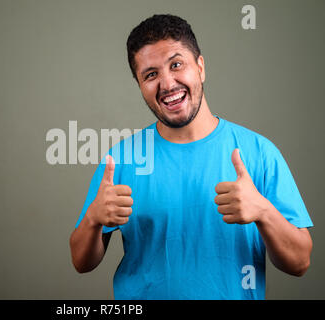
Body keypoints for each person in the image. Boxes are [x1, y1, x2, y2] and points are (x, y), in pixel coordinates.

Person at [69, 14, 313, 299]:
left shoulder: (259, 152)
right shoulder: (120, 160)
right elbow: (81, 262)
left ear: (200, 67)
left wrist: (263, 212)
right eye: (151, 74)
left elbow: (300, 263)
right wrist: (93, 220)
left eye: (176, 64)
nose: (167, 83)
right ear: (139, 85)